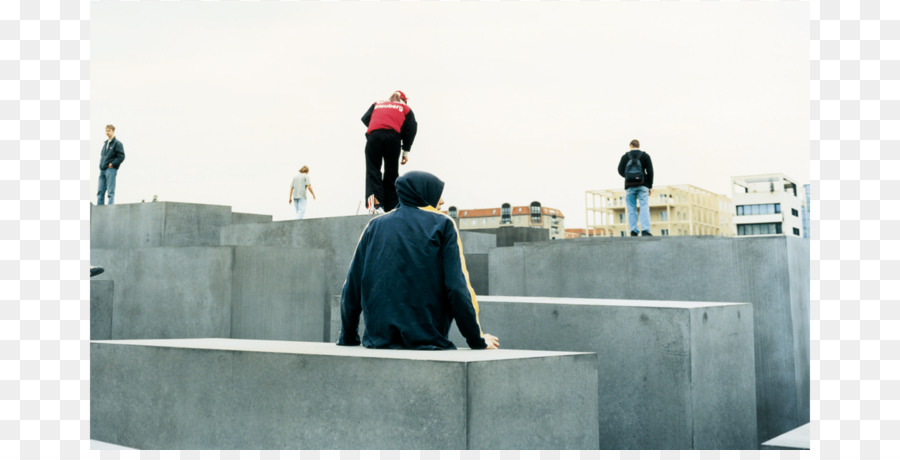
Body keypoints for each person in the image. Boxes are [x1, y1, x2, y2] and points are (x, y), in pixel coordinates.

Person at [337, 171, 499, 350]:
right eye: (438, 193)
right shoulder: (443, 224)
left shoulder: (374, 226)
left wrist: (348, 337)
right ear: (423, 193)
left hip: (378, 342)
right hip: (428, 342)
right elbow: (458, 288)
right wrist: (477, 340)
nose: (442, 201)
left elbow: (351, 288)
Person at [360, 90, 418, 214]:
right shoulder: (405, 108)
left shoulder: (377, 104)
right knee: (391, 172)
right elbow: (412, 129)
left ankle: (376, 206)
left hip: (374, 136)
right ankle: (391, 207)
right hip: (393, 138)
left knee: (373, 170)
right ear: (403, 100)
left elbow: (365, 119)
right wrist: (405, 151)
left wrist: (379, 125)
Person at [617, 139, 654, 236]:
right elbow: (650, 171)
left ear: (630, 145)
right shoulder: (645, 156)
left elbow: (620, 170)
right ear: (639, 145)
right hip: (643, 185)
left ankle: (633, 230)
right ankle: (645, 230)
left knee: (631, 209)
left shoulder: (625, 157)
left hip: (629, 186)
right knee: (644, 207)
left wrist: (629, 177)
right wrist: (650, 185)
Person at [97, 124, 125, 205]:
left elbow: (121, 156)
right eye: (106, 130)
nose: (107, 132)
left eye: (109, 130)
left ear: (113, 131)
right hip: (102, 170)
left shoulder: (117, 143)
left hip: (110, 170)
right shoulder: (105, 144)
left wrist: (112, 164)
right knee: (100, 192)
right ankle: (99, 210)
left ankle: (110, 209)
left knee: (110, 192)